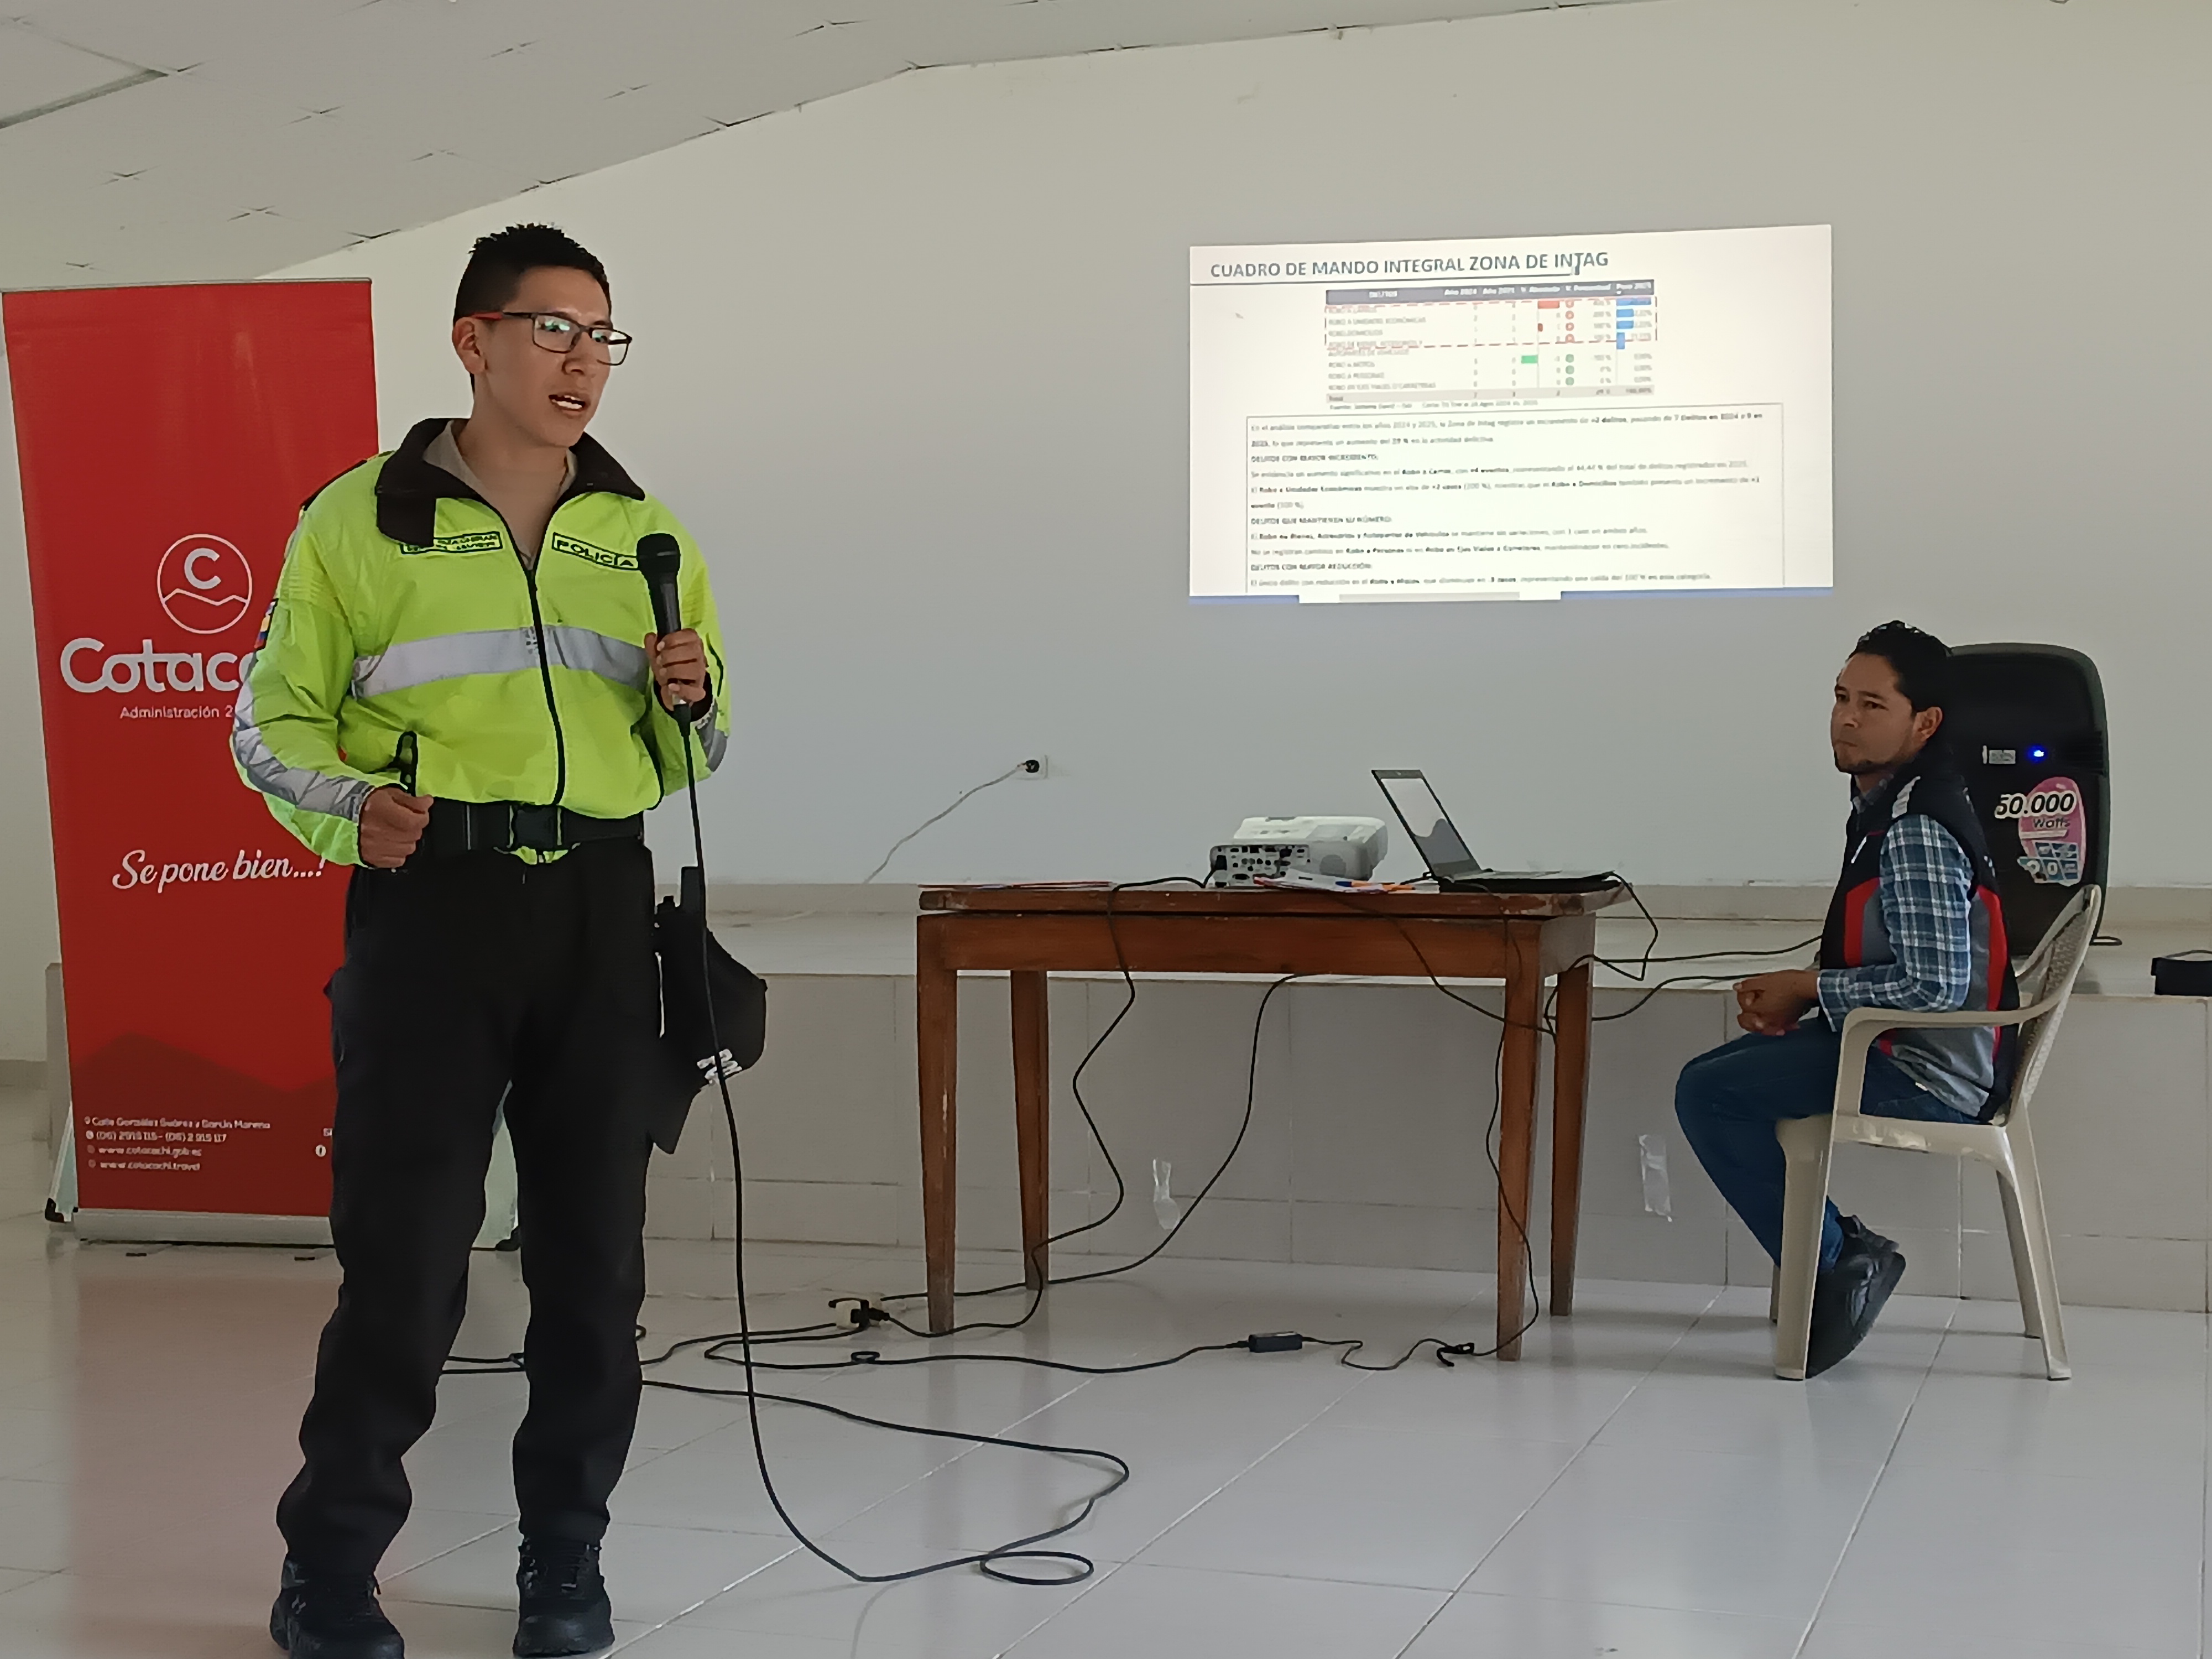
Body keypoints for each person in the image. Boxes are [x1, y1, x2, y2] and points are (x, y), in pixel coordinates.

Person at [234, 223, 729, 1659]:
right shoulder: (358, 522)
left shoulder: (644, 533)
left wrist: (693, 700)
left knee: (596, 1268)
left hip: (599, 913)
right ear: (475, 341)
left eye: (602, 336)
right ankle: (329, 1572)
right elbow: (266, 727)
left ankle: (563, 1562)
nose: (583, 360)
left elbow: (698, 750)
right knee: (405, 1265)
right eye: (552, 328)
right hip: (434, 914)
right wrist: (355, 813)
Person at [1674, 622, 2017, 1377]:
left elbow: (1933, 989)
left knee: (1710, 1093)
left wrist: (1808, 988)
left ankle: (1840, 1262)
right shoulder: (1889, 804)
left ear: (1924, 723)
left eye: (1872, 704)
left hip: (1929, 1072)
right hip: (1893, 1042)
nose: (1847, 719)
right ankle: (1840, 1254)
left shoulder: (1917, 828)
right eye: (1840, 698)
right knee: (1716, 1076)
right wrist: (1805, 996)